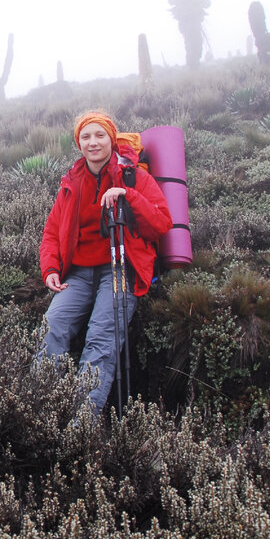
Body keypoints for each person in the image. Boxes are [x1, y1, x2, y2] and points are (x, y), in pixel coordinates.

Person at [39, 111, 172, 414]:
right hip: (78, 274)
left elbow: (162, 223)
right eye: (86, 136)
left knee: (100, 343)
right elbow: (51, 233)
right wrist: (50, 269)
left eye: (100, 135)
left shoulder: (134, 176)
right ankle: (46, 413)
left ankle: (81, 426)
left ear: (111, 139)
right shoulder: (71, 183)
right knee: (51, 328)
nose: (93, 142)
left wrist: (128, 196)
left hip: (120, 268)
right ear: (78, 143)